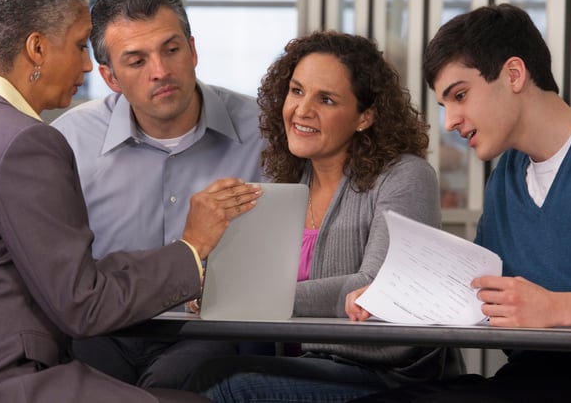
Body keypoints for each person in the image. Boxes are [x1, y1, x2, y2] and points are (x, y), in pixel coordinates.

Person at [0, 0, 262, 403]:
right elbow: (81, 302)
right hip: (12, 377)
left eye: (171, 51)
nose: (87, 67)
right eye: (77, 46)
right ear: (36, 48)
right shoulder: (30, 142)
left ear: (192, 49)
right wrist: (191, 249)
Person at [346, 3, 571, 402]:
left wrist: (554, 309)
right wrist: (390, 300)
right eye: (446, 104)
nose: (449, 121)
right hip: (528, 381)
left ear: (514, 74)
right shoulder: (506, 178)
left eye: (460, 95)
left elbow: (541, 307)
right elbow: (474, 295)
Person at [185, 31, 464, 402]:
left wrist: (243, 296)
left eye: (326, 99)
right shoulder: (284, 182)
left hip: (387, 375)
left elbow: (375, 288)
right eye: (297, 91)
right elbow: (247, 282)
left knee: (227, 386)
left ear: (364, 116)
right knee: (199, 371)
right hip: (310, 363)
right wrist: (212, 288)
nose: (302, 110)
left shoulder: (405, 176)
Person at [51, 0, 265, 388]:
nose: (161, 72)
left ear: (193, 50)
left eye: (172, 50)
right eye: (136, 61)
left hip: (213, 333)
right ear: (110, 77)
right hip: (104, 331)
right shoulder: (70, 141)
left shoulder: (264, 133)